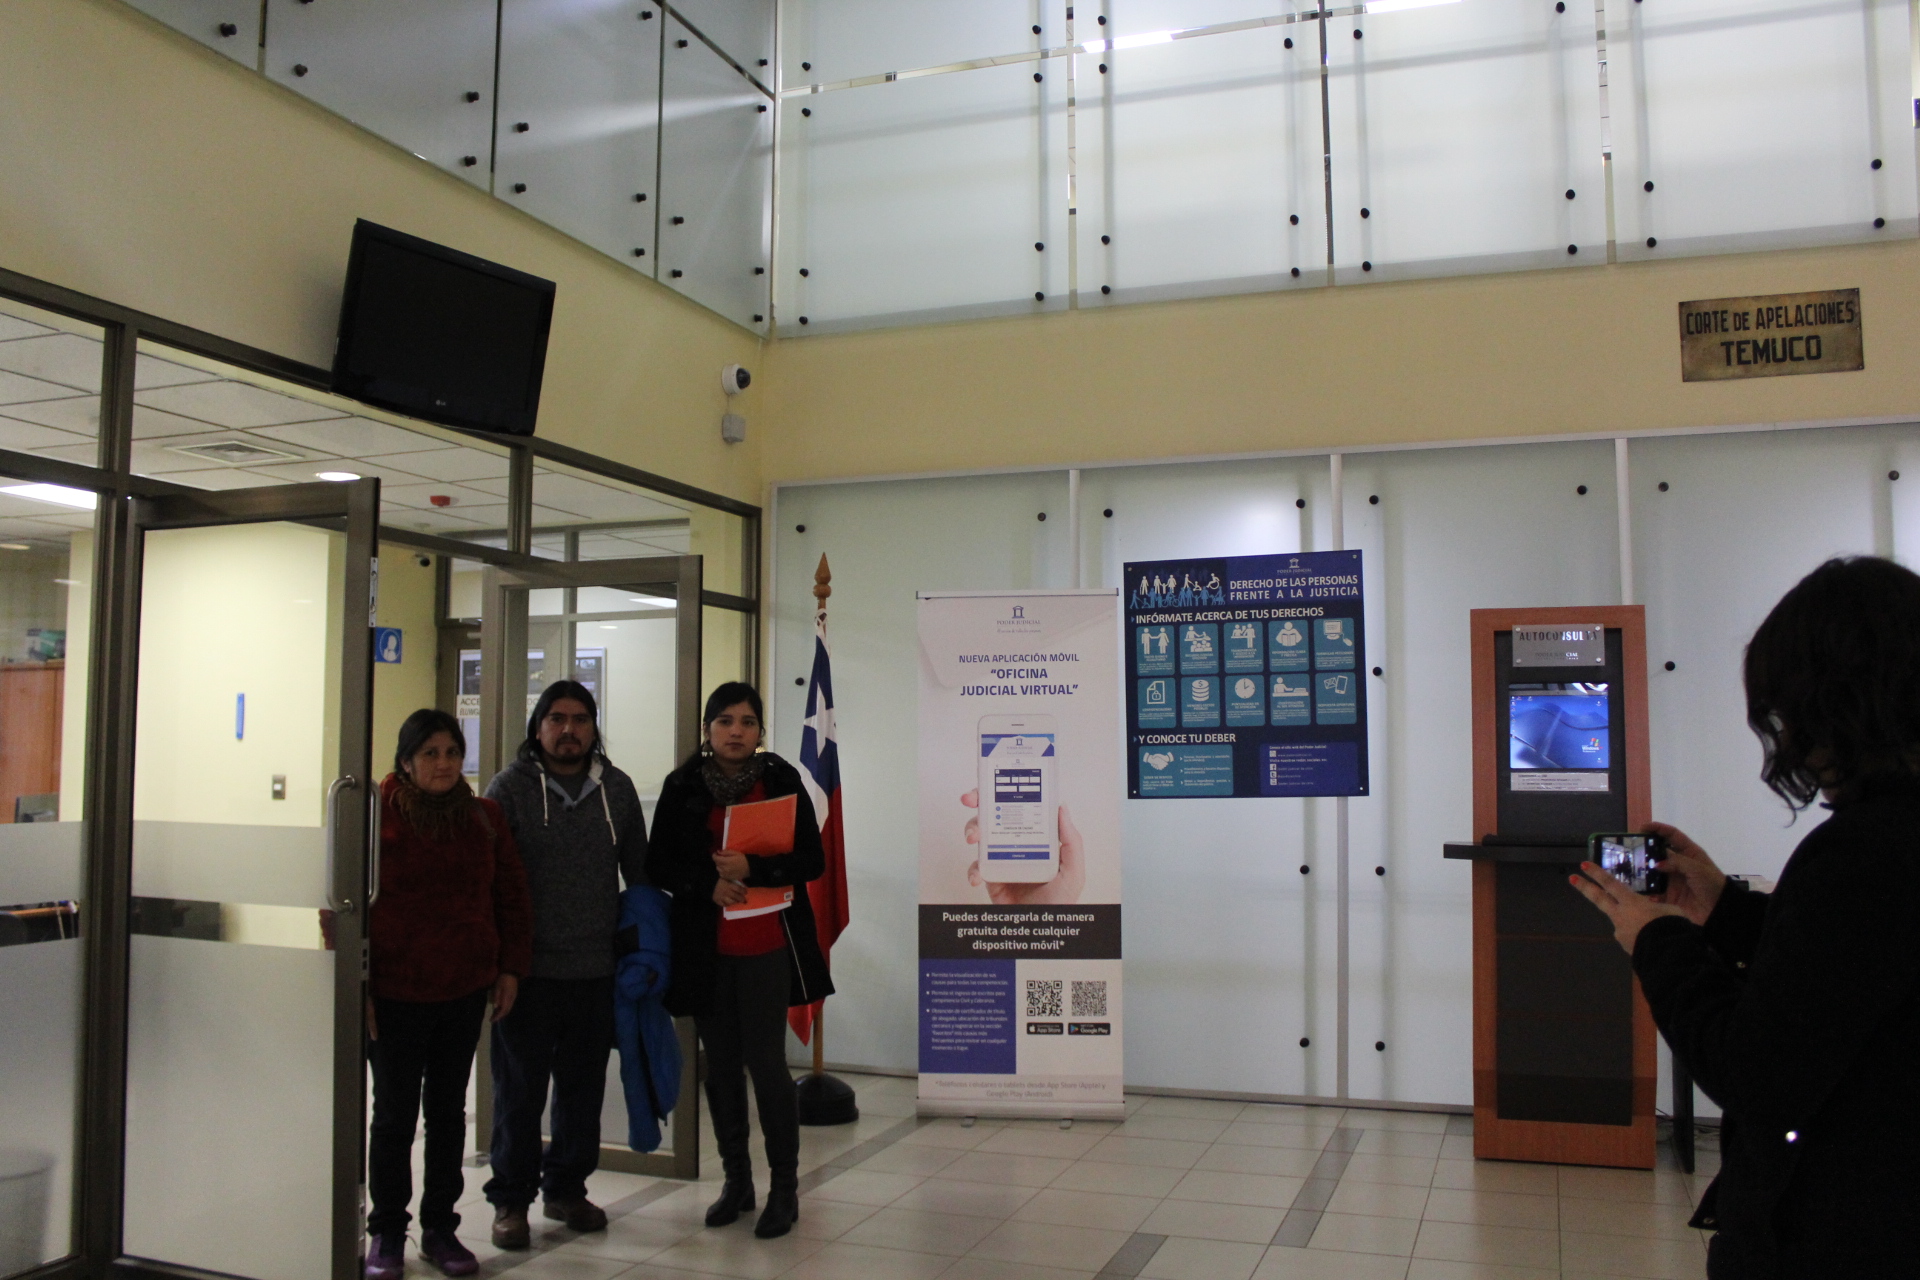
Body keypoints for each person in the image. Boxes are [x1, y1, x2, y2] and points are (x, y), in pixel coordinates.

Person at [1572, 556, 1920, 1279]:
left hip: (1843, 1232)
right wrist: (1726, 911)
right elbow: (1849, 974)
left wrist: (1658, 940)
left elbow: (1756, 1069)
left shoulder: (1863, 850)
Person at [647, 682, 834, 1239]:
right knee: (722, 1065)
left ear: (759, 731)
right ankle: (737, 1182)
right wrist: (706, 884)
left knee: (768, 1065)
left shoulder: (780, 779)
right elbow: (658, 864)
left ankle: (784, 1189)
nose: (736, 731)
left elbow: (812, 860)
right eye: (725, 721)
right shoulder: (682, 784)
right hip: (705, 949)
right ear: (708, 728)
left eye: (747, 721)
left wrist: (754, 867)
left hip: (767, 946)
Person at [365, 710, 531, 1280]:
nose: (443, 764)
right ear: (406, 761)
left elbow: (510, 896)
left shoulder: (483, 817)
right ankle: (387, 1231)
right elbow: (341, 902)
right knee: (393, 1115)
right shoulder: (375, 815)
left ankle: (440, 1228)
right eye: (430, 753)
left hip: (462, 989)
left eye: (452, 752)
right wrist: (354, 985)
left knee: (447, 1113)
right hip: (394, 992)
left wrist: (509, 969)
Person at [482, 681, 648, 1248]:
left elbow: (640, 876)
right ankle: (511, 1201)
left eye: (580, 719)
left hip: (595, 971)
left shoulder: (617, 790)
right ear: (538, 727)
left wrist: (644, 956)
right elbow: (490, 882)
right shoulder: (509, 789)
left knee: (581, 1092)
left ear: (593, 728)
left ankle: (566, 1190)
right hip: (526, 974)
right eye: (557, 718)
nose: (569, 729)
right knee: (519, 1094)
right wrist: (500, 964)